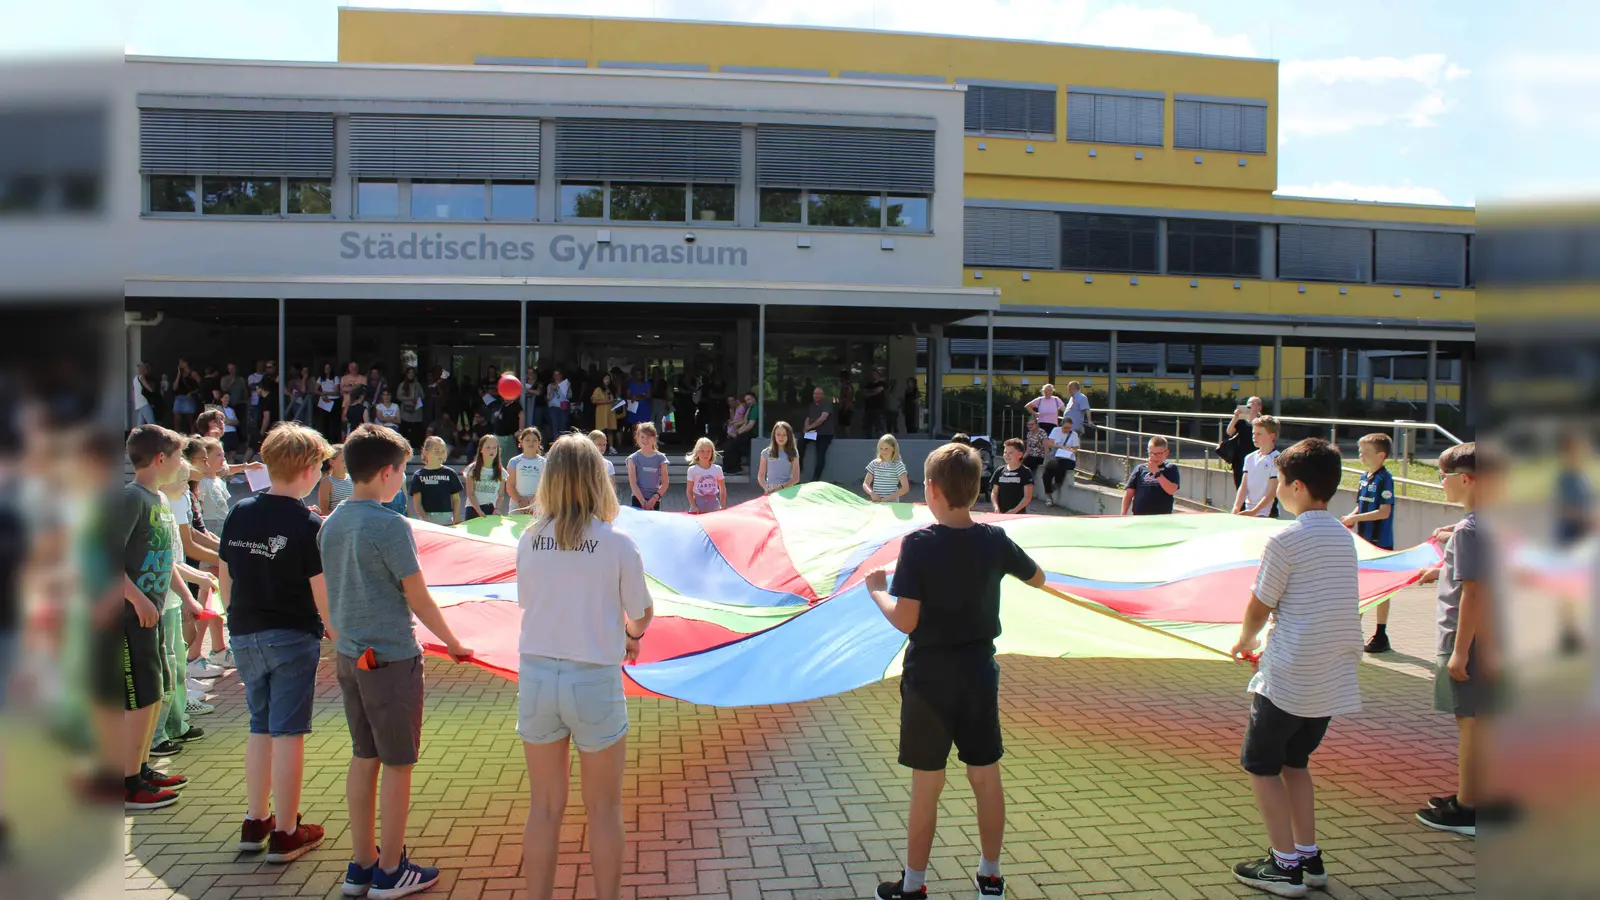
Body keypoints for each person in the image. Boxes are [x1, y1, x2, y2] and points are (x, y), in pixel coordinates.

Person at [862, 442, 1045, 900]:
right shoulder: (994, 540)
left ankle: (915, 884)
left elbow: (906, 619)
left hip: (929, 680)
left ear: (931, 489)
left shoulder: (919, 545)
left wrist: (876, 592)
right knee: (985, 775)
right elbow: (1038, 577)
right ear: (976, 488)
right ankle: (990, 876)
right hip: (978, 673)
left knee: (928, 783)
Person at [319, 424, 473, 899]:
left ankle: (361, 865)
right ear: (387, 473)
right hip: (390, 659)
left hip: (350, 657)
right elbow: (419, 598)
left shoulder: (332, 522)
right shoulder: (389, 525)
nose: (402, 479)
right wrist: (453, 642)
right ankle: (391, 869)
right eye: (402, 471)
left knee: (364, 757)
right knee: (398, 763)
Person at [514, 435, 653, 900]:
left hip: (535, 677)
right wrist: (631, 637)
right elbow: (643, 610)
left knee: (544, 808)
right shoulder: (616, 543)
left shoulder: (529, 539)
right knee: (605, 810)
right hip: (593, 679)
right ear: (598, 479)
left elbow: (530, 604)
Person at [1225, 438, 1362, 898]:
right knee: (1295, 762)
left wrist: (1245, 641)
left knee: (1261, 766)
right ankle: (1308, 855)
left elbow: (1260, 603)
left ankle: (1284, 866)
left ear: (1297, 486)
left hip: (1287, 678)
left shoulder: (1286, 539)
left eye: (1279, 481)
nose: (1276, 488)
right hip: (1328, 679)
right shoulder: (1344, 537)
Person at [219, 422, 334, 863]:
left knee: (259, 726)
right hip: (291, 636)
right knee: (288, 734)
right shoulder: (309, 524)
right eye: (321, 467)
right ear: (308, 470)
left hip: (246, 632)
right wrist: (337, 633)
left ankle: (256, 819)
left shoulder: (240, 511)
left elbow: (225, 571)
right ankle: (286, 830)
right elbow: (320, 590)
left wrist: (234, 619)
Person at [1413, 442, 1503, 838]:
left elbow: (1474, 593)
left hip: (1469, 639)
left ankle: (1469, 809)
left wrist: (1460, 652)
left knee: (1470, 722)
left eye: (1442, 477)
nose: (1440, 484)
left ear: (1465, 479)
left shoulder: (1471, 530)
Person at [105, 425, 185, 811]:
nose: (181, 464)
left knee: (154, 693)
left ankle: (141, 766)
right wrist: (137, 601)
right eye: (178, 456)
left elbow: (167, 560)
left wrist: (183, 596)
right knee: (138, 698)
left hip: (151, 613)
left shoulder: (159, 500)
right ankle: (127, 782)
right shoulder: (130, 498)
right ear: (160, 459)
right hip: (128, 615)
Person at [1342, 434, 1398, 653]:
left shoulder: (1385, 479)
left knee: (1381, 590)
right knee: (1361, 586)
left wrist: (1355, 519)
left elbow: (1384, 512)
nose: (1360, 456)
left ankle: (1381, 633)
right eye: (1360, 451)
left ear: (1381, 455)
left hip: (1380, 542)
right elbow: (1360, 506)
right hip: (1363, 542)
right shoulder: (1365, 477)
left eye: (1365, 452)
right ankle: (1353, 630)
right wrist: (1350, 517)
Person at [1232, 415, 1282, 519]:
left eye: (1259, 434)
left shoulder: (1277, 459)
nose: (1254, 437)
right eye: (1253, 433)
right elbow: (1244, 486)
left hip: (1267, 514)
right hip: (1249, 511)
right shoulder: (1250, 458)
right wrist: (1236, 507)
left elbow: (1272, 491)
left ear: (1272, 436)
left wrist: (1255, 511)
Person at [408, 435, 463, 526]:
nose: (441, 454)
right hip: (427, 519)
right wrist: (425, 518)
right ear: (425, 453)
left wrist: (456, 517)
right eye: (437, 451)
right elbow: (417, 502)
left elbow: (456, 499)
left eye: (443, 451)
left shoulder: (450, 473)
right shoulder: (419, 475)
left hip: (447, 519)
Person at [1122, 436, 1181, 516]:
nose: (1154, 457)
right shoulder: (1140, 469)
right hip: (1140, 516)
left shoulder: (1171, 468)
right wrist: (1123, 513)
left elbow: (1172, 490)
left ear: (1166, 453)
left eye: (1158, 454)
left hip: (1162, 516)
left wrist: (1156, 473)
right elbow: (1129, 493)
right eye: (1151, 453)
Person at [626, 422, 669, 511]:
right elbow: (633, 483)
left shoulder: (661, 458)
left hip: (654, 499)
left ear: (654, 438)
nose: (645, 440)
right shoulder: (633, 458)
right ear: (637, 438)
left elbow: (665, 483)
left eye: (649, 437)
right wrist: (643, 502)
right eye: (642, 437)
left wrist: (654, 498)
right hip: (637, 499)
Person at [1225, 397, 1266, 489]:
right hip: (1240, 458)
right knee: (1240, 485)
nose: (1250, 405)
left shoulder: (1263, 421)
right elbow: (1229, 431)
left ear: (1259, 407)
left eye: (1253, 403)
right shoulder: (1241, 421)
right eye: (1249, 403)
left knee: (1254, 486)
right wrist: (1235, 416)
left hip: (1256, 456)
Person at [464, 434, 506, 520]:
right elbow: (470, 494)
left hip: (491, 509)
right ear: (481, 449)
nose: (492, 450)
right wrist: (478, 510)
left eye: (494, 448)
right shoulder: (472, 469)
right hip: (473, 508)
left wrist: (497, 509)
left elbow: (501, 495)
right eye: (488, 447)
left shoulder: (501, 471)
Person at [506, 427, 545, 515]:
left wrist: (533, 500)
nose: (531, 443)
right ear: (521, 442)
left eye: (534, 440)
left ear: (539, 443)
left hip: (537, 505)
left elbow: (546, 486)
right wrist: (520, 501)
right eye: (527, 440)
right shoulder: (514, 461)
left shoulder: (544, 463)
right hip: (517, 506)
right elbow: (510, 485)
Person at [990, 438, 1034, 514]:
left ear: (1020, 454)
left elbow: (1027, 497)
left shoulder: (1026, 472)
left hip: (1018, 515)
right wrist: (996, 506)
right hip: (1001, 514)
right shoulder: (999, 471)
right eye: (1005, 452)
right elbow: (994, 492)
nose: (1006, 455)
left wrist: (1014, 511)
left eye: (1010, 453)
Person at [1042, 420, 1079, 508]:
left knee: (1060, 466)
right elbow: (1050, 444)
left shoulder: (1074, 434)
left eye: (1069, 428)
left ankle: (1057, 483)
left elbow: (1076, 448)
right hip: (1056, 456)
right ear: (1061, 426)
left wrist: (1070, 450)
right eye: (1065, 428)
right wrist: (1060, 447)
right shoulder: (1056, 430)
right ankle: (1049, 495)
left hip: (1069, 458)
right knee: (1046, 473)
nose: (1067, 430)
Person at [684, 437, 726, 514]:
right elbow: (689, 491)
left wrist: (722, 505)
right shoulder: (692, 470)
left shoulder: (717, 469)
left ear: (712, 453)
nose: (705, 454)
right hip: (697, 504)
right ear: (697, 452)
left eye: (708, 451)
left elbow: (722, 488)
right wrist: (694, 506)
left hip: (714, 505)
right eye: (702, 451)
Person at [864, 434, 910, 503]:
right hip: (877, 502)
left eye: (886, 449)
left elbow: (905, 488)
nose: (883, 451)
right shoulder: (874, 463)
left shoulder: (898, 465)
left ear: (894, 448)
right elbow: (866, 483)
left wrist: (887, 499)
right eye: (881, 448)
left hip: (892, 503)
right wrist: (872, 493)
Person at [758, 421, 801, 496]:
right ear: (774, 435)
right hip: (771, 490)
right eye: (778, 434)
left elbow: (796, 478)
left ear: (789, 436)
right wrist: (766, 488)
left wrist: (781, 488)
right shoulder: (765, 452)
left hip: (787, 489)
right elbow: (760, 476)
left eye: (784, 435)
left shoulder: (793, 452)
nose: (781, 437)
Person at [802, 387, 834, 483]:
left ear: (822, 395)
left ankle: (816, 478)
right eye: (815, 393)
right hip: (814, 434)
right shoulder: (812, 405)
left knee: (820, 454)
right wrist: (806, 428)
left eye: (818, 394)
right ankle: (798, 468)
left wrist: (810, 427)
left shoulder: (826, 404)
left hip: (825, 434)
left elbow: (823, 418)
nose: (816, 395)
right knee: (801, 441)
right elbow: (808, 418)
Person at [316, 444, 354, 518]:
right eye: (343, 460)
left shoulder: (353, 479)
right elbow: (324, 511)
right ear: (332, 462)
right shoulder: (327, 482)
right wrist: (344, 517)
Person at [724, 393, 757, 475]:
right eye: (746, 400)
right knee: (728, 443)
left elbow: (750, 425)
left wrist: (738, 433)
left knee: (733, 444)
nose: (748, 402)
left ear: (754, 399)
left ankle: (735, 469)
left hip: (752, 434)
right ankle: (727, 467)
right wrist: (736, 432)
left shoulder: (756, 408)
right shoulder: (750, 409)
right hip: (745, 432)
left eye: (749, 399)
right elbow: (746, 423)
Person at [491, 387, 523, 467]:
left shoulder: (515, 405)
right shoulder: (501, 405)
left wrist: (520, 430)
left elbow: (521, 415)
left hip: (508, 437)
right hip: (498, 436)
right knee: (498, 459)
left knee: (510, 460)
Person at [591, 373, 618, 449]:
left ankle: (611, 447)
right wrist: (605, 402)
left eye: (608, 379)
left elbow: (613, 399)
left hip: (610, 411)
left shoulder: (611, 389)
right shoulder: (598, 389)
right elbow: (593, 400)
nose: (607, 380)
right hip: (601, 411)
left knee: (610, 430)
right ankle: (599, 447)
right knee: (601, 430)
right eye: (605, 379)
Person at [546, 369, 572, 439]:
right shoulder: (550, 385)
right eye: (555, 375)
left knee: (563, 426)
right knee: (555, 426)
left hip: (563, 407)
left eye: (558, 374)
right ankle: (555, 442)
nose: (556, 376)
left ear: (561, 375)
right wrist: (552, 389)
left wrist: (565, 389)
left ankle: (562, 444)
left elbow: (570, 395)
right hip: (553, 407)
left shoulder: (566, 384)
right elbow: (548, 397)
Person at [862, 368, 888, 437]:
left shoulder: (882, 383)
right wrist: (874, 392)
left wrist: (869, 392)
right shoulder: (868, 384)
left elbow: (878, 390)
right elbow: (864, 394)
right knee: (867, 428)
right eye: (872, 374)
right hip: (868, 409)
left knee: (879, 428)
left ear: (878, 375)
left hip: (879, 408)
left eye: (875, 374)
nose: (873, 375)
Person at [133, 362, 157, 427]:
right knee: (152, 423)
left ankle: (136, 436)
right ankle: (155, 436)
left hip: (139, 404)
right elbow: (150, 389)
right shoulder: (141, 377)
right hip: (144, 403)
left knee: (140, 425)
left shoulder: (135, 379)